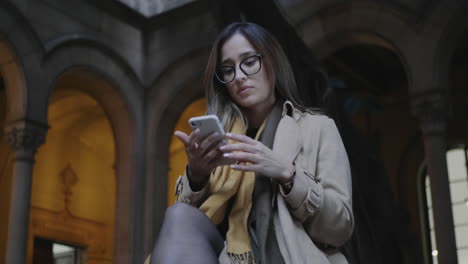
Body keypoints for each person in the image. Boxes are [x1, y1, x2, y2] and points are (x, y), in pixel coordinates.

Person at [150, 22, 353, 264]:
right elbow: (183, 231)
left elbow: (339, 228)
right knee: (178, 214)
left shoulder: (317, 127)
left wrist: (288, 175)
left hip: (291, 257)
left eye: (249, 62)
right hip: (218, 257)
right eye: (228, 69)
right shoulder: (219, 138)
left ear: (273, 62)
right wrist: (197, 176)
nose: (239, 76)